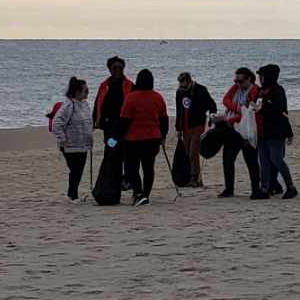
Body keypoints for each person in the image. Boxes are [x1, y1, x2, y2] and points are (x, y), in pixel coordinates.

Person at [119, 69, 169, 207]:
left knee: (132, 168)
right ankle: (145, 194)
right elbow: (164, 119)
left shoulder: (131, 97)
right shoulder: (158, 97)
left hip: (133, 139)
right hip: (153, 138)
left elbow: (125, 120)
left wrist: (119, 136)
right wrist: (163, 136)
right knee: (148, 167)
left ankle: (139, 193)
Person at [217, 67, 264, 199]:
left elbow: (249, 113)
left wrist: (236, 115)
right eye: (235, 80)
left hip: (246, 130)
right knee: (227, 159)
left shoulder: (254, 90)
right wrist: (237, 108)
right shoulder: (236, 88)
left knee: (251, 160)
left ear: (249, 79)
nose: (237, 83)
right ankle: (229, 188)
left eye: (240, 81)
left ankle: (256, 189)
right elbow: (225, 99)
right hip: (232, 129)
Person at [256, 64, 298, 199]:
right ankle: (265, 189)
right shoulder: (261, 91)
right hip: (262, 131)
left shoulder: (278, 90)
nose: (260, 79)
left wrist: (261, 109)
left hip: (276, 131)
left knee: (276, 159)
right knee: (263, 161)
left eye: (261, 76)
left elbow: (280, 111)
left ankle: (291, 187)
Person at [92, 56, 133, 186]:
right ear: (109, 69)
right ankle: (112, 178)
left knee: (126, 153)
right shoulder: (104, 86)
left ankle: (126, 180)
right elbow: (98, 103)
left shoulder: (129, 85)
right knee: (110, 150)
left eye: (120, 67)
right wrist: (95, 121)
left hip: (125, 125)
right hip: (109, 126)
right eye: (114, 68)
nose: (117, 70)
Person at [52, 77, 94, 201]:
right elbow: (57, 123)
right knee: (75, 170)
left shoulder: (85, 104)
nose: (87, 93)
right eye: (85, 91)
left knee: (78, 171)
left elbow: (88, 123)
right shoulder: (69, 105)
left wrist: (90, 139)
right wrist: (62, 139)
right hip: (70, 146)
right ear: (77, 92)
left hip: (83, 145)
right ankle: (72, 195)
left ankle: (73, 194)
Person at [175, 72, 217, 187]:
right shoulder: (179, 92)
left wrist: (212, 118)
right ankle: (193, 177)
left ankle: (195, 178)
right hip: (185, 127)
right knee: (188, 153)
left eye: (183, 85)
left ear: (188, 81)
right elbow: (179, 110)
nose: (182, 88)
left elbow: (212, 104)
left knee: (194, 152)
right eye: (180, 85)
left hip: (197, 125)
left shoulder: (200, 90)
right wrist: (178, 128)